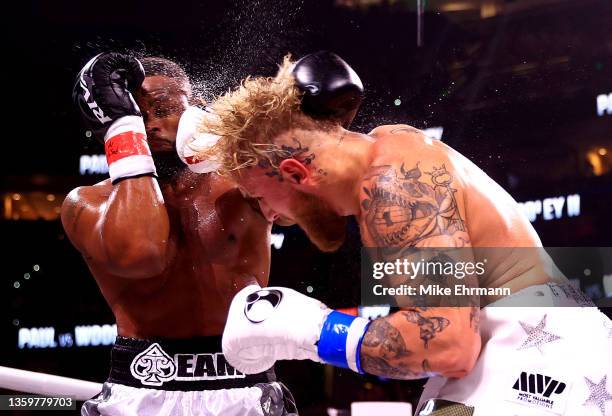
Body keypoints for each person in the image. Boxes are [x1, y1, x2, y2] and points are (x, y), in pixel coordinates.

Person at [195, 54, 612, 415]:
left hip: (538, 352)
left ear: (295, 174)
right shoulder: (390, 152)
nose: (271, 214)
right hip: (517, 348)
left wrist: (312, 331)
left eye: (259, 196)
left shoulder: (392, 182)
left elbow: (448, 345)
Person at [64, 52, 296, 415]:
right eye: (134, 113)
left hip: (244, 387)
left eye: (162, 109)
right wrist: (124, 131)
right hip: (143, 387)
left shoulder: (245, 184)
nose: (150, 124)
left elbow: (316, 207)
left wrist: (238, 140)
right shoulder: (87, 203)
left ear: (195, 110)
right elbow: (144, 252)